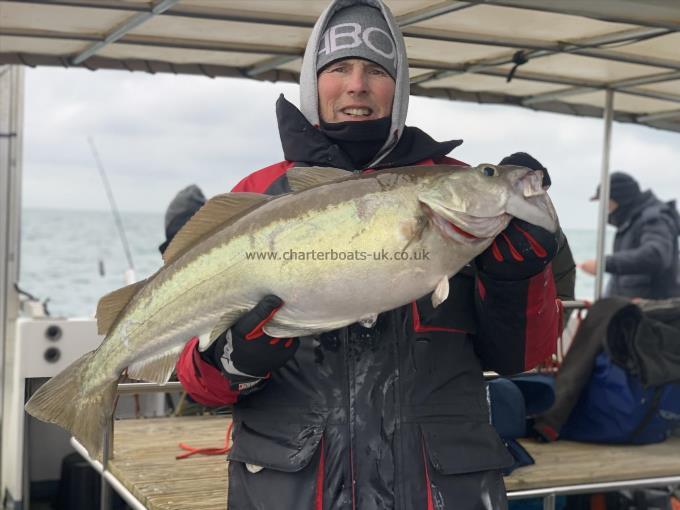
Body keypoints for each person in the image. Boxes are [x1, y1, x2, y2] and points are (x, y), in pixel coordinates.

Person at [175, 1, 570, 508]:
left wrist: (522, 279)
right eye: (338, 68)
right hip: (290, 488)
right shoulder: (259, 195)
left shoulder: (459, 188)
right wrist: (235, 359)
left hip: (436, 490)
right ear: (312, 82)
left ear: (399, 86)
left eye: (377, 70)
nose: (356, 85)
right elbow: (199, 384)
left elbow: (522, 358)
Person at [580, 171, 680, 299]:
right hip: (630, 310)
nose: (605, 208)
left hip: (651, 313)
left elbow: (656, 255)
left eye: (606, 201)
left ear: (618, 198)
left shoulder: (655, 219)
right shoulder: (632, 220)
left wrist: (604, 264)